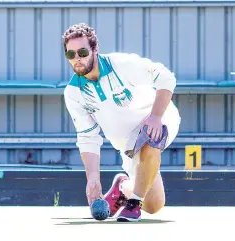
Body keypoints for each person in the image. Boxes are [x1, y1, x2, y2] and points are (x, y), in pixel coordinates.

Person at [62, 23, 181, 222]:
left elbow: (166, 78)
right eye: (71, 55)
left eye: (82, 52)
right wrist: (93, 179)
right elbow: (87, 137)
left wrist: (155, 117)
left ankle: (133, 204)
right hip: (128, 145)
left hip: (158, 118)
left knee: (150, 140)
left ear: (95, 50)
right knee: (153, 205)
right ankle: (124, 186)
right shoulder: (73, 93)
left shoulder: (122, 65)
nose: (77, 59)